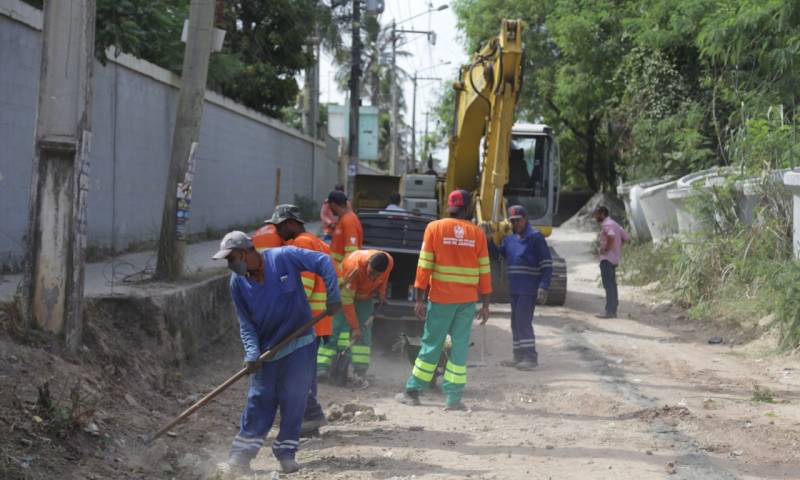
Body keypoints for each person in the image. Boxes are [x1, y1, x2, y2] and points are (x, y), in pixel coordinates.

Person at [212, 230, 341, 474]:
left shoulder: (283, 257)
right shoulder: (237, 283)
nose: (230, 265)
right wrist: (251, 353)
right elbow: (246, 323)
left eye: (231, 259)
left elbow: (323, 261)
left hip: (300, 343)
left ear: (244, 251)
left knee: (294, 399)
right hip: (267, 351)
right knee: (259, 400)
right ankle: (241, 455)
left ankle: (286, 453)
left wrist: (333, 296)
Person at [395, 189, 491, 411]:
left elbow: (424, 264)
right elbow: (485, 271)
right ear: (467, 208)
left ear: (449, 207)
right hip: (466, 300)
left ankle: (413, 390)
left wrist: (419, 297)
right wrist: (485, 304)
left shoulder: (434, 228)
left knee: (432, 344)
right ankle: (453, 398)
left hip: (441, 298)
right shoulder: (477, 234)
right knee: (459, 347)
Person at [265, 204, 340, 436]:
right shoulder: (319, 243)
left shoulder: (301, 244)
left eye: (278, 226)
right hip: (316, 320)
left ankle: (311, 415)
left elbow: (303, 286)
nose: (277, 231)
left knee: (293, 374)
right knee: (305, 373)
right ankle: (308, 424)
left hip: (304, 321)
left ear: (290, 223)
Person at [486, 205, 552, 370]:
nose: (516, 224)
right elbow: (498, 255)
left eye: (519, 220)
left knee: (523, 322)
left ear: (525, 219)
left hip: (528, 289)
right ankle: (518, 356)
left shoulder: (536, 238)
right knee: (515, 323)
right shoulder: (509, 240)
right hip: (515, 289)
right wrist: (488, 240)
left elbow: (547, 265)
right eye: (513, 221)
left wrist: (543, 286)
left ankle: (530, 357)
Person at [317, 249, 393, 387]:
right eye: (371, 273)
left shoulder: (389, 261)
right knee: (333, 329)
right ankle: (321, 367)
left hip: (365, 298)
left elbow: (384, 277)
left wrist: (381, 292)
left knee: (364, 335)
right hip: (341, 295)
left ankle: (360, 371)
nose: (373, 278)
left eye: (377, 275)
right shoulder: (354, 267)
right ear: (368, 263)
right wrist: (355, 327)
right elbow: (347, 301)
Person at [594, 205, 629, 318]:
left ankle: (609, 311)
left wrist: (607, 248)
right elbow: (625, 237)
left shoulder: (607, 224)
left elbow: (611, 236)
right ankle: (613, 310)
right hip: (614, 259)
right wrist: (617, 247)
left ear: (602, 214)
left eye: (597, 214)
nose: (595, 216)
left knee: (608, 285)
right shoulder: (615, 224)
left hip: (607, 259)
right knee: (612, 284)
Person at [327, 189, 363, 269]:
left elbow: (351, 253)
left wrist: (342, 274)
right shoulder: (343, 220)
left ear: (332, 204)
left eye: (328, 205)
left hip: (342, 275)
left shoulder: (349, 221)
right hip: (338, 273)